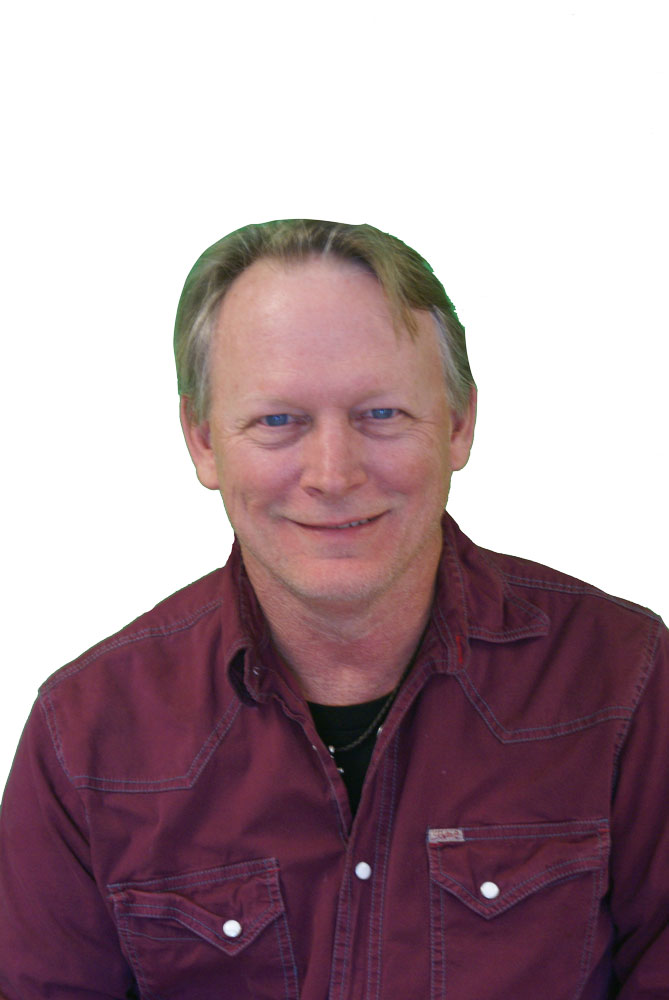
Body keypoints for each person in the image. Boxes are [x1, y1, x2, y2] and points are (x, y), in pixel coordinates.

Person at [0, 219, 667, 999]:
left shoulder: (624, 680)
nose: (333, 473)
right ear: (203, 440)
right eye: (278, 420)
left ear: (457, 425)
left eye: (380, 414)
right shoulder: (85, 733)